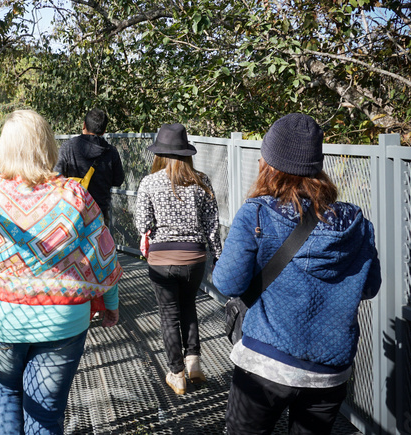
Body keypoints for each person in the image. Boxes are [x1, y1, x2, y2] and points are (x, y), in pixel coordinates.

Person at [0, 109, 122, 435]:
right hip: (61, 321)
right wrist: (111, 305)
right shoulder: (74, 195)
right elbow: (104, 256)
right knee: (46, 416)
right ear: (47, 146)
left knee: (3, 392)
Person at [212, 113, 381, 435]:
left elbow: (227, 282)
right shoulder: (355, 222)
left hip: (265, 362)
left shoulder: (258, 212)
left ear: (269, 163)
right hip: (329, 369)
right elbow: (370, 287)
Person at [135, 123, 220, 395]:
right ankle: (194, 362)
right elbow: (212, 226)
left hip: (162, 260)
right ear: (186, 153)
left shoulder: (149, 182)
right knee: (189, 306)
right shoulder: (202, 181)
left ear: (159, 153)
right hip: (195, 258)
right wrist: (218, 256)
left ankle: (176, 373)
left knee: (169, 316)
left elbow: (143, 222)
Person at [54, 108, 125, 224]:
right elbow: (118, 180)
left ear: (84, 125)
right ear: (104, 131)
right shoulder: (111, 152)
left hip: (72, 213)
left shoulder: (68, 148)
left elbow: (56, 177)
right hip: (99, 213)